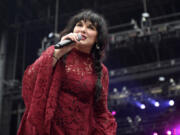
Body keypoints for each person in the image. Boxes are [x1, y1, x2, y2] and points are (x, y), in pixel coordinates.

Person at [17, 9, 117, 135]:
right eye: (79, 25)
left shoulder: (101, 71)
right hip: (48, 129)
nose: (82, 30)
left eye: (90, 27)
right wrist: (58, 52)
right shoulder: (56, 53)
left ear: (97, 38)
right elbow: (31, 79)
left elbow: (100, 111)